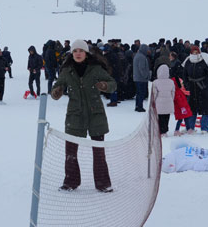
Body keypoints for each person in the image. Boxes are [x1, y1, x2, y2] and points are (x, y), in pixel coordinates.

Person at [50, 39, 116, 192]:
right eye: (75, 51)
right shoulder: (67, 71)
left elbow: (113, 84)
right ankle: (71, 182)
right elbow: (56, 87)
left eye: (81, 51)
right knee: (71, 152)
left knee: (99, 152)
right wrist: (56, 92)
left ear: (86, 53)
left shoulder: (96, 69)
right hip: (75, 115)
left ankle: (103, 184)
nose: (78, 53)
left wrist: (105, 86)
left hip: (96, 115)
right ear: (71, 53)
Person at [152, 64, 175, 136]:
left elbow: (154, 93)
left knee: (160, 117)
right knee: (166, 117)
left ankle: (161, 131)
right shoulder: (171, 82)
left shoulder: (155, 82)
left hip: (159, 102)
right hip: (169, 102)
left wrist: (153, 102)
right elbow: (173, 92)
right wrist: (171, 99)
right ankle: (165, 130)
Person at [132, 44, 150, 112]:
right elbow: (142, 68)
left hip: (137, 77)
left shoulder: (137, 55)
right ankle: (140, 107)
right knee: (141, 93)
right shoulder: (142, 57)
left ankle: (137, 106)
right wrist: (146, 76)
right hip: (141, 79)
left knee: (139, 93)